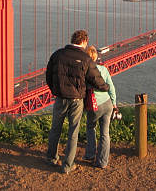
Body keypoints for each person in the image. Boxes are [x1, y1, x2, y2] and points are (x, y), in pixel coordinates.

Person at [45, 30, 109, 174]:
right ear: (84, 42)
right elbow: (96, 79)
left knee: (55, 128)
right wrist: (106, 87)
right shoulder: (85, 58)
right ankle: (68, 165)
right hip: (76, 100)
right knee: (73, 132)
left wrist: (55, 90)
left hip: (60, 98)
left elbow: (48, 75)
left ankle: (51, 158)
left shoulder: (57, 54)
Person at [83, 46, 117, 169]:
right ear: (96, 57)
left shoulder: (85, 71)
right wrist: (114, 104)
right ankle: (102, 162)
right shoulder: (103, 69)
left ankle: (90, 154)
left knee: (91, 127)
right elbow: (111, 88)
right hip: (107, 104)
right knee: (105, 133)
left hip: (94, 105)